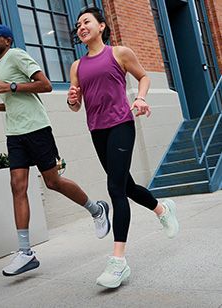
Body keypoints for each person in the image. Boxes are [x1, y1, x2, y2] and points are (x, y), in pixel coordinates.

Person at [0, 24, 110, 277]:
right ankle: (25, 252)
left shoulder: (17, 56)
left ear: (8, 39)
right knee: (18, 186)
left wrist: (11, 87)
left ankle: (96, 209)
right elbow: (15, 102)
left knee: (52, 182)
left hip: (36, 129)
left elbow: (46, 85)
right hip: (15, 133)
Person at [67, 7, 179, 288]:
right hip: (97, 130)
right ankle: (162, 210)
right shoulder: (77, 66)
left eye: (87, 22)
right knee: (126, 186)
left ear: (102, 26)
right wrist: (71, 99)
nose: (81, 27)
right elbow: (76, 105)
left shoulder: (119, 53)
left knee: (115, 189)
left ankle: (118, 262)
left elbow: (144, 77)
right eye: (78, 24)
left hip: (120, 125)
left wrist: (140, 98)